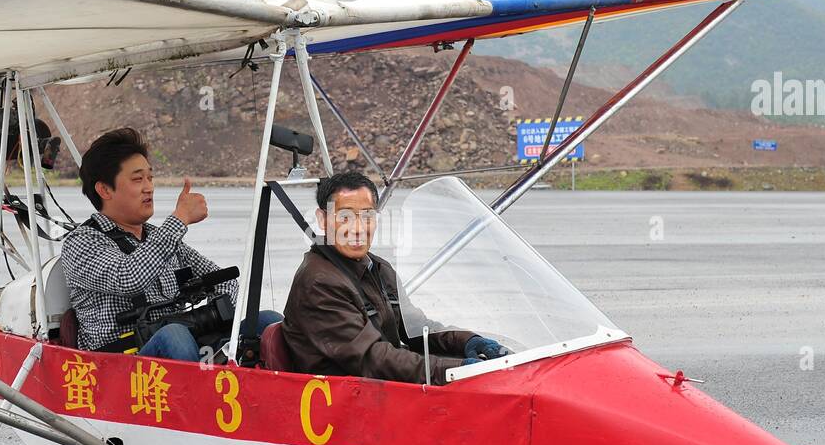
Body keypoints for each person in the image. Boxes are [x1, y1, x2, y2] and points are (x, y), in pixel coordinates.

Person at [59, 127, 279, 359]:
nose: (149, 187)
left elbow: (225, 280)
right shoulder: (82, 242)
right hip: (119, 364)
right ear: (104, 189)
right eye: (137, 179)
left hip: (182, 350)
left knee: (268, 323)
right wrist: (179, 219)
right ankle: (200, 391)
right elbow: (128, 278)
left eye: (150, 178)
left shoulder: (159, 237)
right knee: (173, 335)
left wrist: (213, 317)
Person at [280, 170, 505, 385]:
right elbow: (372, 358)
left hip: (377, 389)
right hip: (342, 403)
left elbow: (414, 328)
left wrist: (467, 341)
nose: (358, 228)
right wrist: (453, 370)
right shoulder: (319, 282)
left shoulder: (377, 267)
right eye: (345, 217)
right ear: (322, 219)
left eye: (367, 216)